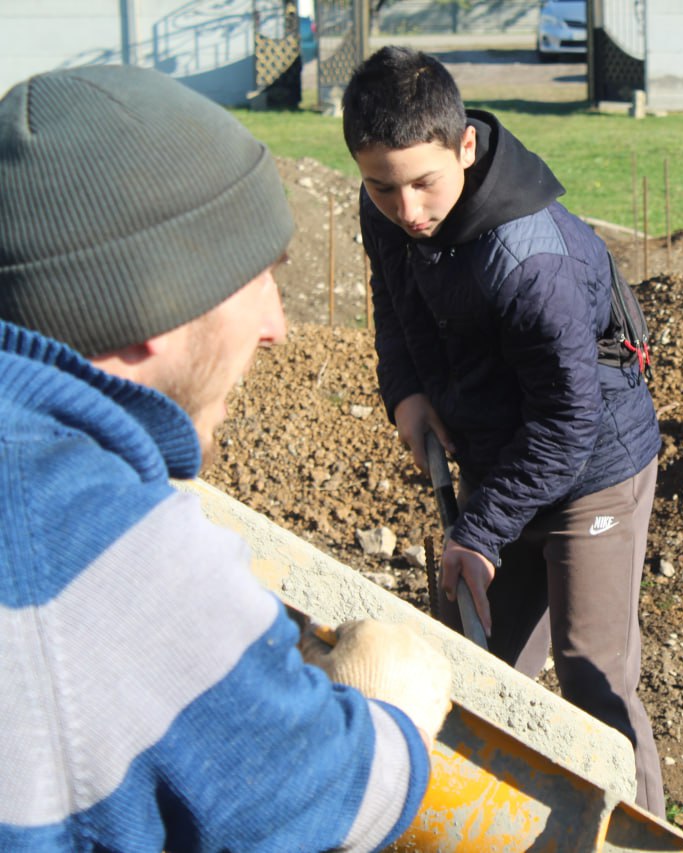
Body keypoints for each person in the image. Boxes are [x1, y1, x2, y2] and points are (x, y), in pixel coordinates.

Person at [0, 65, 450, 851]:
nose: (277, 326)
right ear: (145, 301)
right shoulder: (104, 552)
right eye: (257, 279)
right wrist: (397, 709)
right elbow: (326, 800)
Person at [341, 46, 665, 811]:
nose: (408, 210)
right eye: (384, 187)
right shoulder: (387, 202)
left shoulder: (529, 261)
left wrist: (481, 529)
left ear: (465, 146)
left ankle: (643, 832)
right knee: (470, 665)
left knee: (593, 672)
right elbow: (395, 302)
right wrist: (408, 391)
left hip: (592, 469)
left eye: (424, 183)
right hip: (498, 451)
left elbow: (567, 419)